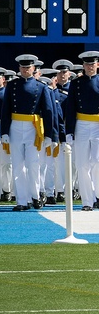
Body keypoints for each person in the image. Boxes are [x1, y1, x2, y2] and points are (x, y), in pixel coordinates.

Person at [0, 54, 57, 211]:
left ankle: (36, 196)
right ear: (19, 68)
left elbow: (48, 111)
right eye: (23, 67)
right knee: (18, 165)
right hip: (16, 126)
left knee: (33, 164)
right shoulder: (12, 86)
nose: (25, 70)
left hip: (34, 127)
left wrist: (48, 135)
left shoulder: (41, 87)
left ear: (33, 69)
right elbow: (6, 110)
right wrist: (4, 131)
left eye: (28, 67)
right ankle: (21, 200)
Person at [67, 51, 99, 211]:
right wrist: (69, 131)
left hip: (98, 125)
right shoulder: (76, 83)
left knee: (98, 163)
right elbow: (71, 107)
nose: (90, 67)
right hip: (81, 124)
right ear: (83, 66)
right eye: (87, 64)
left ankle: (98, 195)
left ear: (97, 65)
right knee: (82, 164)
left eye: (92, 64)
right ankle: (87, 201)